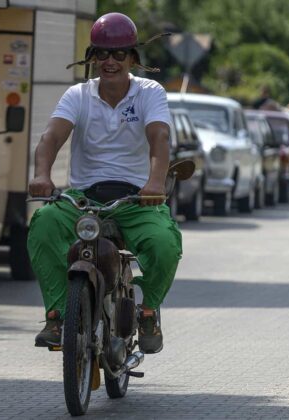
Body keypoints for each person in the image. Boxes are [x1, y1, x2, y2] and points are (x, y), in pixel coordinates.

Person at [27, 13, 181, 354]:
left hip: (137, 199)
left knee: (164, 244)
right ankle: (56, 314)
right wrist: (42, 175)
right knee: (44, 225)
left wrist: (155, 182)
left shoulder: (149, 92)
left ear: (133, 58)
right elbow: (51, 138)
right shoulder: (78, 95)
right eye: (101, 54)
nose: (109, 62)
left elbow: (160, 139)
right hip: (84, 198)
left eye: (119, 54)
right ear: (92, 57)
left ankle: (147, 310)